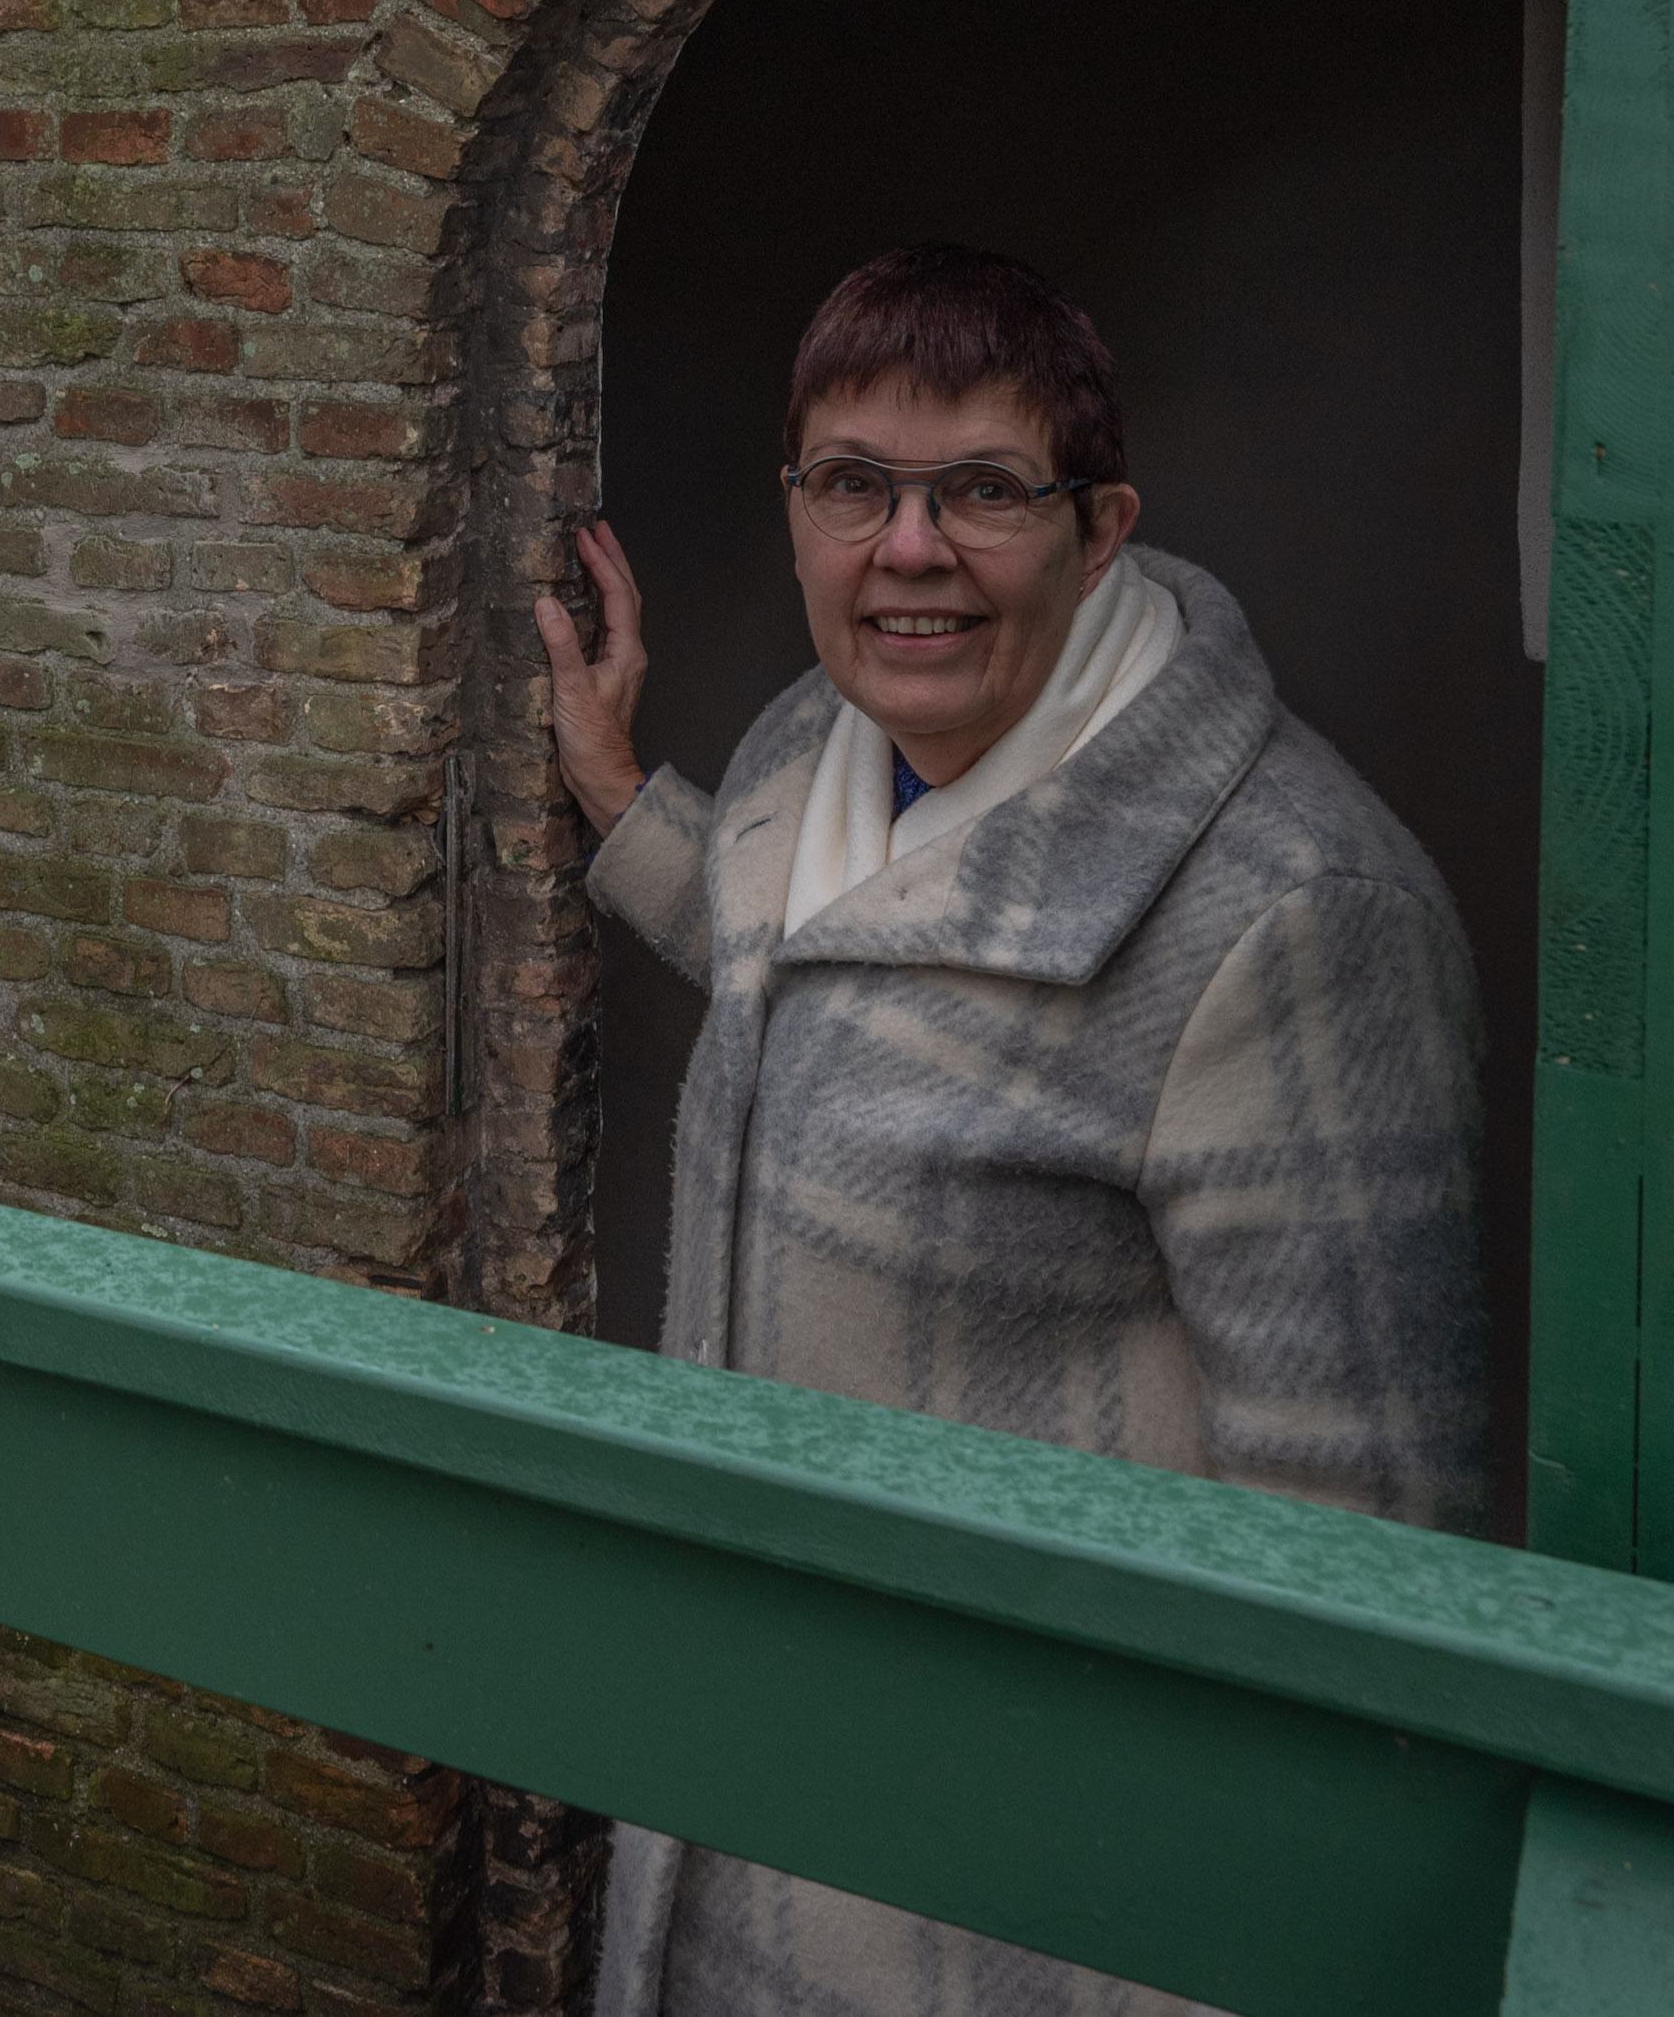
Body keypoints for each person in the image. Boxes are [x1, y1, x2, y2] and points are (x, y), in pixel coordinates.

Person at [539, 244, 1484, 2017]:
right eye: (853, 487)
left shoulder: (1298, 912)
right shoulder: (809, 750)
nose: (908, 550)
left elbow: (1362, 1577)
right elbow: (824, 992)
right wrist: (621, 797)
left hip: (1014, 1904)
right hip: (749, 1776)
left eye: (982, 489)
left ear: (1099, 523)